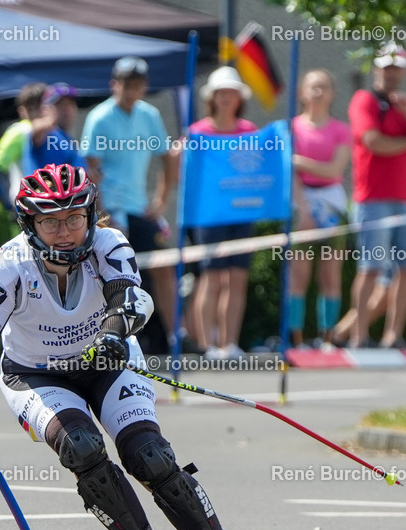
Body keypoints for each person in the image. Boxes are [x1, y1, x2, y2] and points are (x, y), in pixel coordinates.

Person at [0, 163, 283, 530]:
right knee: (83, 449)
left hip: (107, 361)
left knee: (150, 456)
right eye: (51, 222)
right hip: (37, 377)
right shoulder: (5, 268)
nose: (66, 232)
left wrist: (115, 334)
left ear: (90, 214)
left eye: (75, 218)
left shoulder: (109, 244)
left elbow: (125, 299)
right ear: (29, 224)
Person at [81, 57, 178, 351]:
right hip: (113, 210)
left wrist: (161, 200)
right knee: (114, 273)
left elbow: (168, 156)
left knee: (161, 268)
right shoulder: (99, 117)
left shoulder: (149, 115)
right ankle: (110, 334)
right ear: (115, 84)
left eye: (137, 85)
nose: (131, 90)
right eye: (126, 84)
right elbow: (92, 168)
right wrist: (103, 211)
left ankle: (177, 337)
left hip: (140, 207)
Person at [347, 42, 406, 349]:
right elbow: (374, 142)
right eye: (387, 68)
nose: (391, 74)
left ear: (404, 71)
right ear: (377, 69)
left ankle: (392, 335)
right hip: (372, 200)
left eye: (397, 68)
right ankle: (359, 336)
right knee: (370, 268)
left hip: (404, 200)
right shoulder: (364, 100)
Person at [183, 66, 257, 359]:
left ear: (239, 97)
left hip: (241, 214)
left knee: (237, 278)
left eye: (231, 92)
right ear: (212, 97)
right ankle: (207, 345)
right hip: (208, 215)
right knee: (211, 277)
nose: (226, 98)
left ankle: (230, 343)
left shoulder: (250, 131)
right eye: (221, 93)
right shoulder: (196, 132)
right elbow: (187, 177)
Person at [290, 68, 351, 349]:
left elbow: (334, 170)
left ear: (332, 93)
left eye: (323, 87)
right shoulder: (291, 128)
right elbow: (287, 174)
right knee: (299, 275)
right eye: (312, 86)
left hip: (333, 204)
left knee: (330, 273)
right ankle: (297, 339)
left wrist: (299, 161)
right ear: (302, 92)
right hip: (300, 202)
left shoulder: (341, 130)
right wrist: (303, 208)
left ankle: (328, 338)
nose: (318, 92)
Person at [0, 82, 46, 203]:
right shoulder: (20, 131)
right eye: (31, 109)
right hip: (28, 204)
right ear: (22, 111)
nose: (36, 113)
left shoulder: (55, 131)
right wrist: (7, 204)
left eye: (39, 107)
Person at [31, 82, 85, 170]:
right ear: (45, 109)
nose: (66, 109)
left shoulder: (68, 139)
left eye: (70, 104)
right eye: (60, 105)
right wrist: (47, 121)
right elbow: (35, 131)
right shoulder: (46, 133)